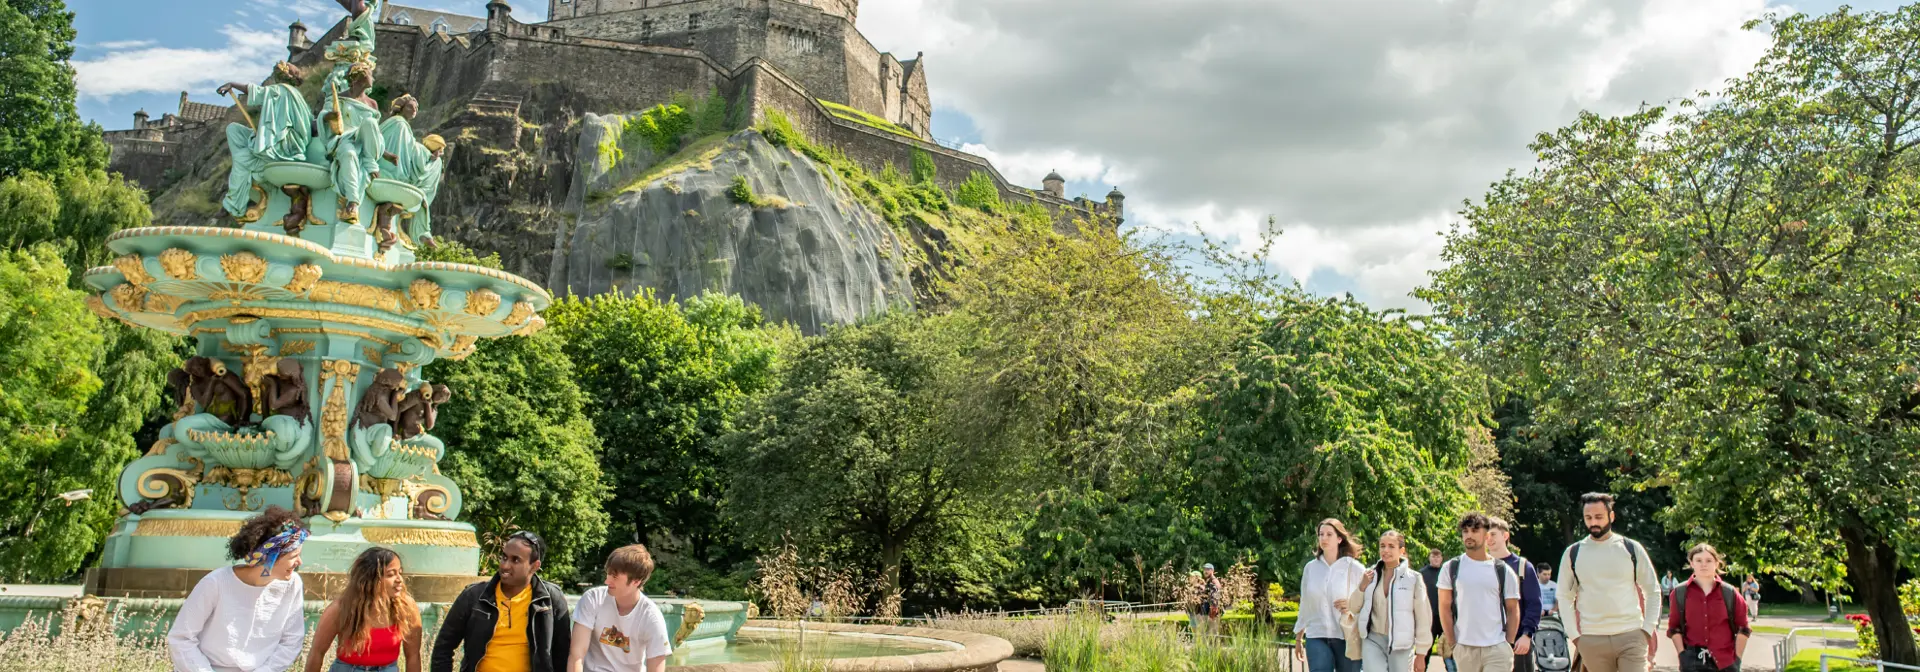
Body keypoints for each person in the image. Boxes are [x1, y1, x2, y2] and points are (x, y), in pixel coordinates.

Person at [167, 506, 310, 672]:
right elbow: (181, 638)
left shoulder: (293, 584)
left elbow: (291, 641)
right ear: (268, 557)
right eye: (293, 556)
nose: (299, 562)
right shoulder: (216, 583)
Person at [432, 531, 574, 672]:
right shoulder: (474, 596)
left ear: (535, 566)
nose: (505, 566)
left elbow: (561, 655)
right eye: (504, 557)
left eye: (515, 560)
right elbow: (443, 647)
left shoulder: (550, 599)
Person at [1555, 493, 1660, 672]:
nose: (1593, 522)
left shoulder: (1631, 548)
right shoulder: (1573, 553)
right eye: (1588, 517)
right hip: (1592, 638)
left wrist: (1647, 630)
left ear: (1611, 516)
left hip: (1631, 635)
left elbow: (1652, 590)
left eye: (1598, 517)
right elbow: (1564, 597)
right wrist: (1575, 636)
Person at [305, 547, 423, 672]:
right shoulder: (340, 609)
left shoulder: (406, 607)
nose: (399, 580)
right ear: (370, 579)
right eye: (390, 574)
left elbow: (413, 656)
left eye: (400, 572)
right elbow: (317, 652)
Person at [1439, 513, 1522, 672]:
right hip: (1464, 648)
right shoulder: (1451, 568)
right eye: (1465, 531)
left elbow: (1512, 609)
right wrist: (1453, 643)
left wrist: (1508, 643)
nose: (1469, 535)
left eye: (1475, 530)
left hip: (1497, 648)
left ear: (1486, 535)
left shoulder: (1503, 570)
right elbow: (1444, 607)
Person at [567, 544, 671, 672]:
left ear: (636, 581)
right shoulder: (593, 599)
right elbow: (576, 656)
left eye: (614, 577)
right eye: (608, 574)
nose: (607, 581)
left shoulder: (652, 618)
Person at [1349, 531, 1434, 672]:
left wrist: (1421, 653)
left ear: (1401, 550)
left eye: (1391, 546)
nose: (1385, 550)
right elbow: (1353, 607)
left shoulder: (1413, 579)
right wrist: (1362, 586)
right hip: (1372, 639)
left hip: (1401, 644)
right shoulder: (1370, 574)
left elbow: (1423, 617)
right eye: (1382, 546)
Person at [1296, 519, 1367, 672]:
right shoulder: (1311, 568)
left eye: (1329, 534)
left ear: (1339, 539)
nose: (1324, 538)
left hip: (1347, 636)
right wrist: (1298, 636)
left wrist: (1351, 604)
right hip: (1316, 634)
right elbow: (1305, 603)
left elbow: (1368, 600)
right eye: (1321, 535)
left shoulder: (1354, 568)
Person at [1667, 545, 1750, 672]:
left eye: (1708, 560)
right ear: (1691, 563)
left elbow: (1743, 628)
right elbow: (1674, 628)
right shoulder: (1680, 592)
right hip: (1692, 660)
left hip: (1726, 660)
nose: (1703, 564)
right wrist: (1682, 655)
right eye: (1699, 560)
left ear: (1716, 563)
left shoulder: (1729, 593)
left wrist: (1737, 659)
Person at [1487, 517, 1542, 672]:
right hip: (1486, 641)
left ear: (1505, 536)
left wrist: (1527, 635)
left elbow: (1534, 604)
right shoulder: (1480, 567)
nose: (1488, 539)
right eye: (1486, 535)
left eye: (1493, 534)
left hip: (1518, 642)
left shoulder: (1523, 566)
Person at [1422, 548, 1458, 672]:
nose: (1436, 559)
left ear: (1441, 558)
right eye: (1433, 556)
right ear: (1429, 558)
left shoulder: (1447, 572)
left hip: (1446, 616)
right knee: (1426, 647)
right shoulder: (1422, 574)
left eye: (1438, 557)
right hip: (1429, 617)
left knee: (1449, 647)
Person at [1199, 563, 1225, 634]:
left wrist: (1213, 609)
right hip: (1207, 610)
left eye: (1208, 569)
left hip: (1212, 611)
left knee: (1213, 632)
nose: (1205, 571)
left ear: (1212, 570)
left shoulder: (1214, 581)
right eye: (1204, 569)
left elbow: (1217, 595)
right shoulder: (1208, 581)